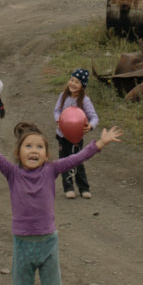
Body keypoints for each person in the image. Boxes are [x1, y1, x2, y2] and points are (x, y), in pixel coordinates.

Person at [0, 109, 122, 285]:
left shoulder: (51, 170)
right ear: (18, 152)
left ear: (46, 155)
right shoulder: (12, 173)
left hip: (48, 243)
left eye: (40, 147)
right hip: (22, 243)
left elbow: (76, 158)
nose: (34, 150)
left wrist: (100, 143)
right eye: (28, 146)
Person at [53, 68, 100, 199]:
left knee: (78, 160)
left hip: (77, 137)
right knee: (64, 161)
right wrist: (59, 119)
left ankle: (84, 188)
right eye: (72, 80)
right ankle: (68, 188)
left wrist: (91, 126)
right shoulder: (63, 96)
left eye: (77, 82)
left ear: (82, 86)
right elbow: (56, 111)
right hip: (62, 136)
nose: (73, 84)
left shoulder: (85, 100)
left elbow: (94, 117)